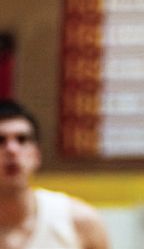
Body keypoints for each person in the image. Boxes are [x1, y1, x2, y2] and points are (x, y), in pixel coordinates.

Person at [0, 100, 108, 249]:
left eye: (22, 139)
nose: (12, 150)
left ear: (36, 155)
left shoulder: (79, 221)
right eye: (0, 141)